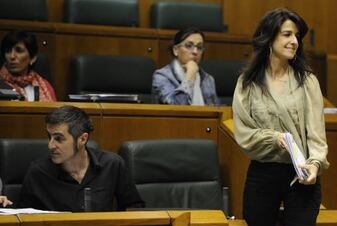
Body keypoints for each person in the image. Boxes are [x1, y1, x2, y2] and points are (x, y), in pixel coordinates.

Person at [232, 8, 329, 226]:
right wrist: (275, 138)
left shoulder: (308, 81)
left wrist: (315, 164)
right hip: (263, 174)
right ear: (269, 37)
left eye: (296, 36)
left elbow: (317, 135)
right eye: (287, 34)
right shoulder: (248, 83)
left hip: (302, 176)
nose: (294, 41)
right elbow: (244, 133)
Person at [0, 105, 144, 211]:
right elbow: (23, 218)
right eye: (49, 137)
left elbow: (134, 208)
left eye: (58, 139)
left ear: (82, 139)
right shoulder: (38, 172)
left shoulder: (112, 164)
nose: (51, 145)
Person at [152, 27, 219, 106]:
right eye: (189, 46)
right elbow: (178, 108)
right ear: (175, 50)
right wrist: (190, 76)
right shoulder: (162, 76)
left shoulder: (207, 79)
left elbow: (216, 111)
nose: (195, 51)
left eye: (199, 47)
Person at [0, 30, 56, 101]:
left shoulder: (45, 86)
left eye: (19, 51)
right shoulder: (1, 83)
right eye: (8, 51)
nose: (12, 56)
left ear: (32, 58)